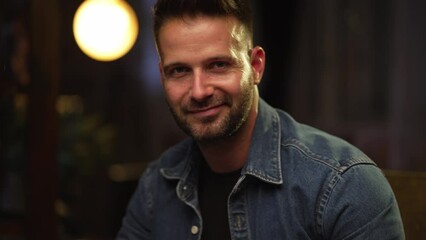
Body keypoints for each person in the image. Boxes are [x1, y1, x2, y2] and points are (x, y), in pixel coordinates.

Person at [117, 0, 405, 239]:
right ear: (162, 76)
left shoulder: (343, 183)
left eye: (218, 65)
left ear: (255, 66)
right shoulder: (156, 186)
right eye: (179, 71)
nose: (199, 91)